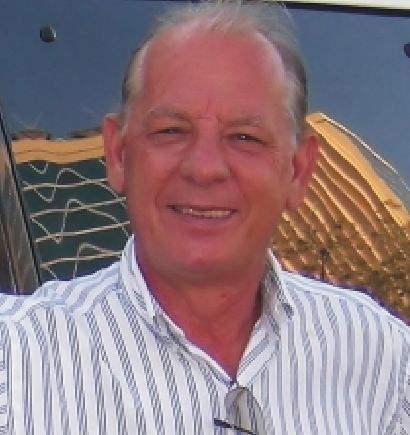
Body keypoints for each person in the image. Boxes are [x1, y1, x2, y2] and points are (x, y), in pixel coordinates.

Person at [0, 1, 408, 433]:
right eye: (171, 131)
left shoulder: (382, 361)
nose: (204, 167)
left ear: (298, 170)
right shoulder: (17, 361)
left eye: (244, 137)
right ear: (117, 154)